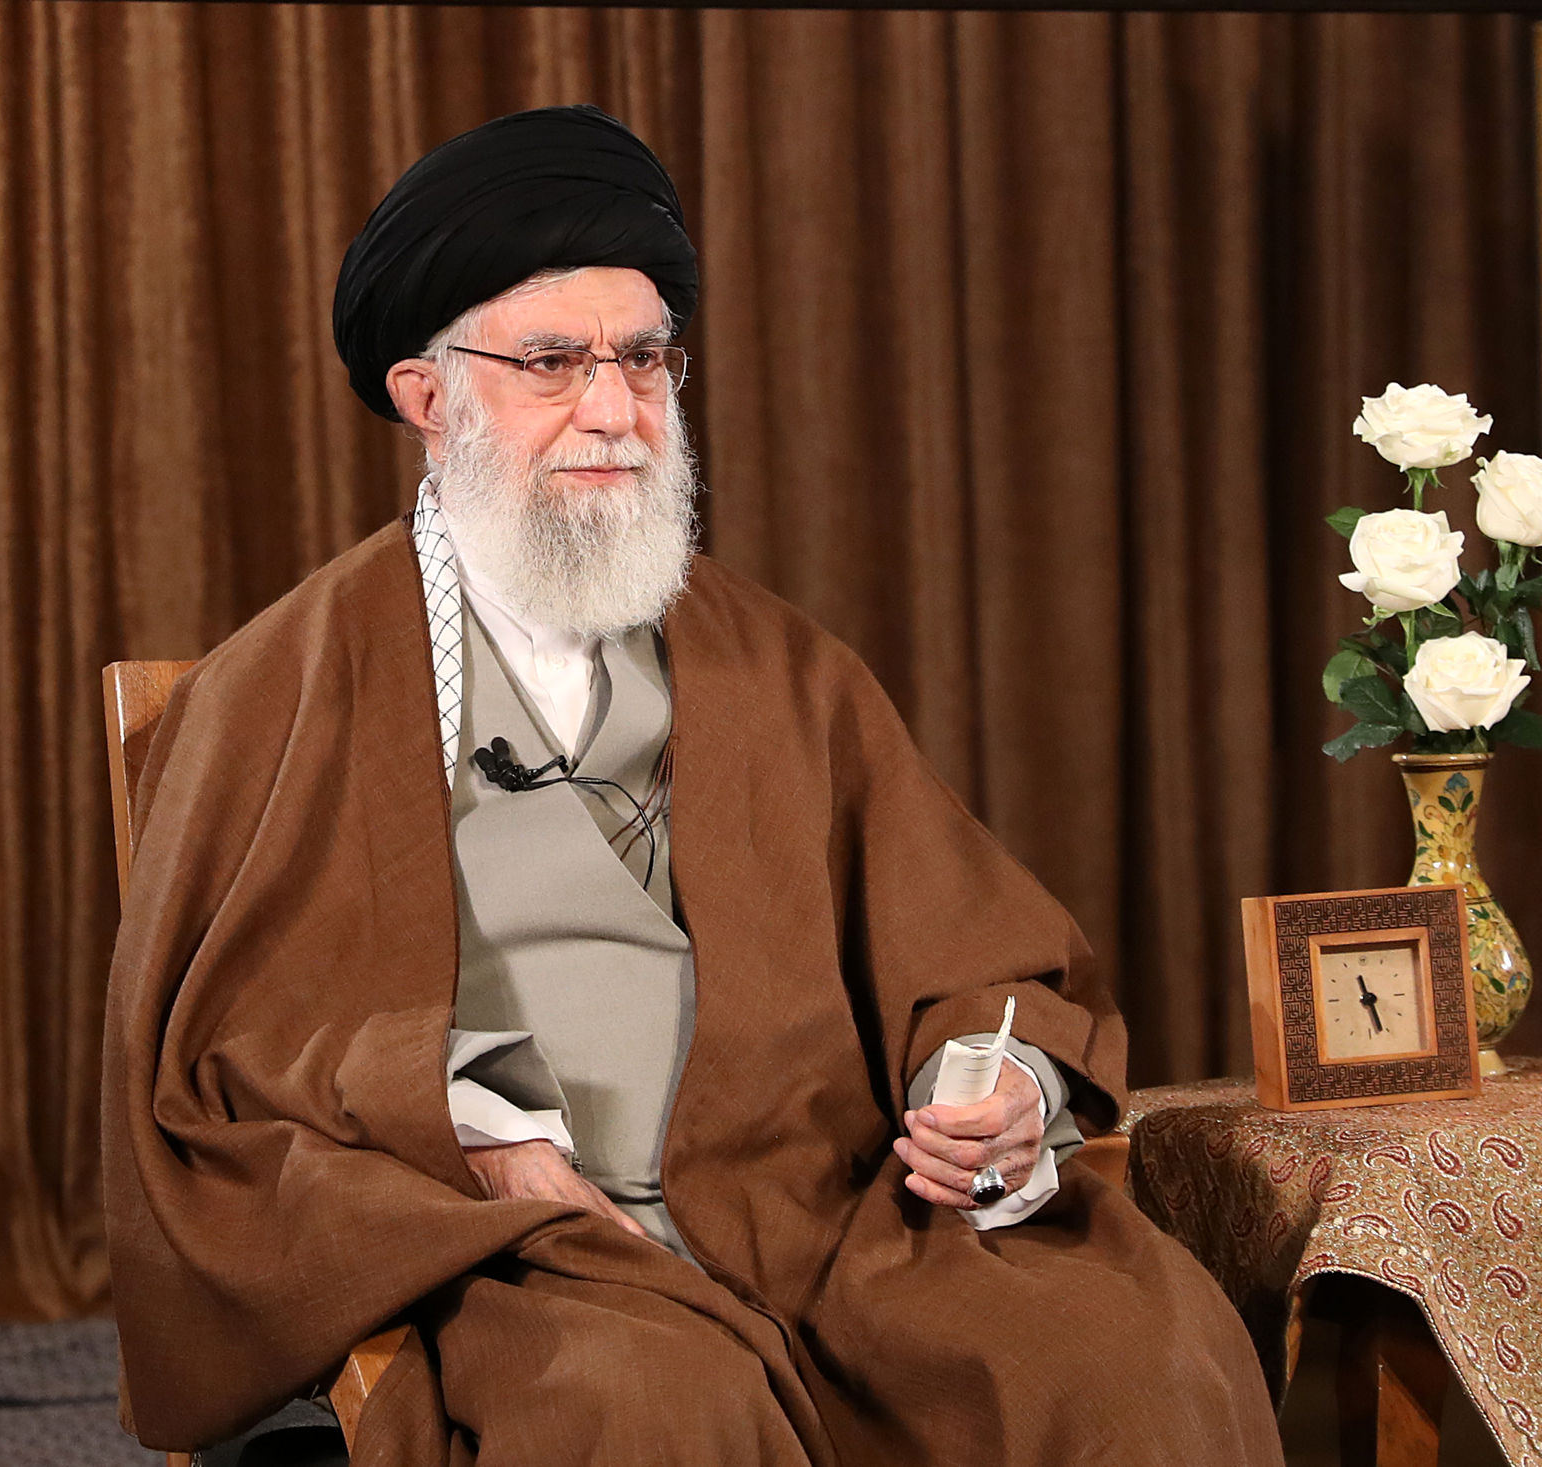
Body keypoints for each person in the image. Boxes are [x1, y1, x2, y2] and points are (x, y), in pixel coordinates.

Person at [103, 105, 1282, 1467]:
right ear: (427, 397)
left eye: (644, 359)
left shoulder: (779, 662)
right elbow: (225, 1058)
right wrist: (471, 1122)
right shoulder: (282, 684)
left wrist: (995, 1080)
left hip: (822, 1217)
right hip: (518, 1247)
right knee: (652, 1410)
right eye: (553, 362)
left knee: (1137, 1359)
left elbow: (970, 950)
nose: (614, 410)